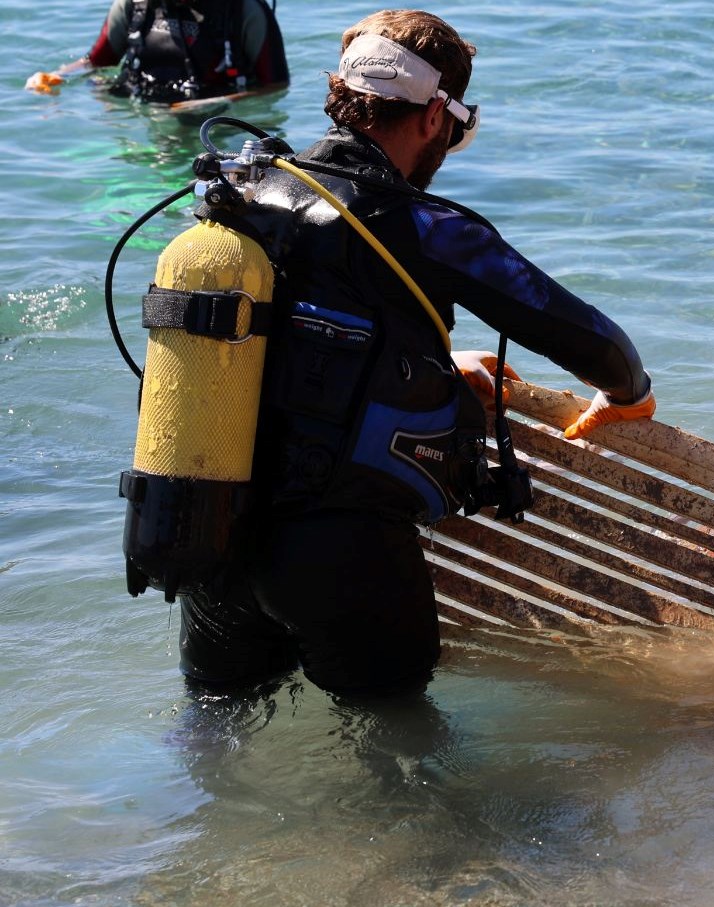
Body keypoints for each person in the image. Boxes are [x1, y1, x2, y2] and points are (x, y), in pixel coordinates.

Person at [178, 9, 656, 697]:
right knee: (400, 754)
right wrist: (627, 394)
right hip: (340, 553)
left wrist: (427, 362)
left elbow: (296, 339)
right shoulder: (426, 229)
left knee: (213, 738)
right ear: (435, 117)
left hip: (211, 534)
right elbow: (589, 339)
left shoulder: (250, 191)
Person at [25, 0, 289, 103]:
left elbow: (276, 85)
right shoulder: (132, 6)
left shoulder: (245, 11)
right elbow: (96, 62)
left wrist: (209, 104)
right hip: (142, 116)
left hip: (216, 122)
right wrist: (56, 75)